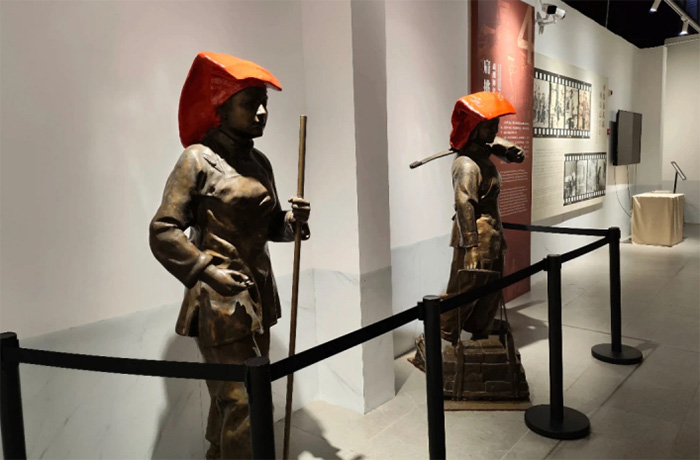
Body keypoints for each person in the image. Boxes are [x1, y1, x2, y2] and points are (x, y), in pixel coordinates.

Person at [149, 52, 310, 459]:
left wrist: (293, 222)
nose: (261, 112)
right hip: (219, 302)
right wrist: (209, 273)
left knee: (237, 398)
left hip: (258, 295)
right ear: (221, 108)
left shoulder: (259, 162)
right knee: (243, 402)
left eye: (264, 103)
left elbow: (271, 226)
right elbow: (163, 230)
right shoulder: (197, 159)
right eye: (250, 103)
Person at [440, 92, 524, 344]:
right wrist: (471, 247)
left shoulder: (482, 157)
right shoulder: (467, 164)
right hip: (476, 237)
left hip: (492, 235)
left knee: (490, 291)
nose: (495, 129)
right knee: (464, 291)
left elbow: (505, 149)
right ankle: (442, 336)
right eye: (489, 125)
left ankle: (480, 335)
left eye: (496, 124)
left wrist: (506, 148)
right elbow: (464, 204)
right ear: (474, 128)